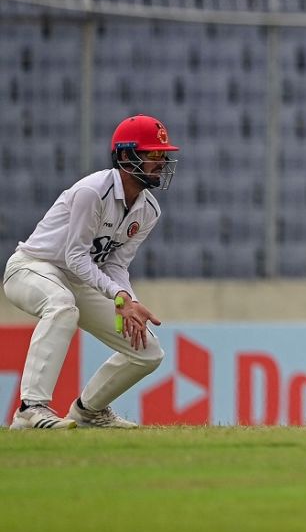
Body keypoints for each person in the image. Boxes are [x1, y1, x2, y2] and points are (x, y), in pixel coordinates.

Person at [3, 114, 177, 429]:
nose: (162, 162)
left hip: (79, 279)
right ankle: (30, 409)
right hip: (31, 268)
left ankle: (89, 411)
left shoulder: (149, 210)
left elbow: (116, 265)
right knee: (61, 307)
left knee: (148, 352)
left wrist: (129, 302)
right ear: (126, 156)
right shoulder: (92, 191)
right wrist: (119, 295)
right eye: (153, 154)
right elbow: (73, 256)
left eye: (164, 155)